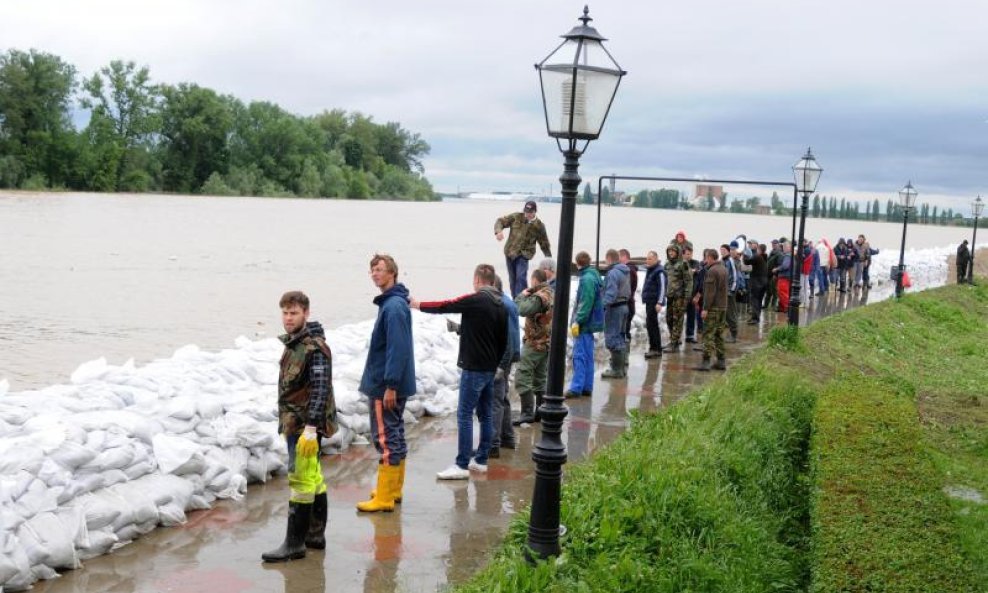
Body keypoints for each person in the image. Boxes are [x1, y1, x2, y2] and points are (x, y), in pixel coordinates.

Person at [411, 264, 508, 480]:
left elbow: (447, 305)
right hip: (489, 369)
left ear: (477, 280)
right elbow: (503, 340)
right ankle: (481, 460)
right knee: (485, 414)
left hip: (473, 368)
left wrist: (418, 305)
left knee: (464, 414)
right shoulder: (500, 304)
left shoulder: (476, 300)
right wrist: (495, 365)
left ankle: (461, 464)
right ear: (492, 281)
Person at [263, 291, 337, 562]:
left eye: (293, 313)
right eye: (284, 312)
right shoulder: (295, 343)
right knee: (313, 477)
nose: (288, 318)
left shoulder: (313, 348)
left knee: (301, 479)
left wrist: (310, 428)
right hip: (296, 422)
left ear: (306, 313)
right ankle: (315, 536)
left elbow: (320, 389)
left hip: (305, 426)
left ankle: (294, 543)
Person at [356, 255, 416, 513]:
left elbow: (397, 348)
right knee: (395, 434)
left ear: (392, 273)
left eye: (379, 270)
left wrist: (390, 384)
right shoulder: (394, 303)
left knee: (385, 438)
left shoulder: (393, 307)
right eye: (372, 270)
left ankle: (384, 498)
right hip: (391, 383)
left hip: (385, 385)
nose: (374, 274)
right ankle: (392, 489)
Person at [512, 268, 553, 425]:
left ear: (535, 280)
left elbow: (521, 309)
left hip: (535, 343)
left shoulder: (539, 296)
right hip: (545, 342)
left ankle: (527, 413)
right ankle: (540, 411)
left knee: (522, 376)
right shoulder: (550, 292)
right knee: (539, 378)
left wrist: (521, 295)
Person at [565, 251, 604, 398]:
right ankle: (587, 386)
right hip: (591, 323)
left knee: (579, 356)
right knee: (588, 355)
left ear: (578, 263)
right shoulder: (593, 275)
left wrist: (577, 320)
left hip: (585, 324)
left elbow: (585, 302)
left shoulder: (587, 279)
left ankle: (576, 388)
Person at [494, 201, 552, 298]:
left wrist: (549, 260)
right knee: (512, 280)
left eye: (530, 212)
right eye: (526, 211)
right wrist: (498, 231)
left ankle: (523, 300)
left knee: (521, 278)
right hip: (510, 253)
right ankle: (515, 300)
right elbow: (500, 221)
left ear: (535, 212)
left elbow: (544, 244)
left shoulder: (539, 226)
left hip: (524, 255)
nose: (527, 214)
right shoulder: (516, 217)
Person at [490, 275, 520, 458]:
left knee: (495, 399)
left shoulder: (503, 305)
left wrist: (501, 366)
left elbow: (507, 337)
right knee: (502, 397)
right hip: (508, 355)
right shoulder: (507, 302)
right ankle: (507, 437)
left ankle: (493, 444)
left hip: (503, 358)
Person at [696, 249, 728, 371]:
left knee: (708, 334)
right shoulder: (724, 269)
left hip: (713, 308)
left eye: (706, 258)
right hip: (723, 307)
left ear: (710, 258)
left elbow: (710, 292)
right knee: (719, 334)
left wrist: (705, 309)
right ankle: (721, 361)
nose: (705, 261)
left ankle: (705, 362)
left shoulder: (712, 271)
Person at [601, 249, 630, 379]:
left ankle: (616, 370)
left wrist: (602, 306)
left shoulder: (612, 273)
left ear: (609, 259)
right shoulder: (624, 271)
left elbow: (611, 294)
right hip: (624, 306)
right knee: (620, 337)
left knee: (613, 337)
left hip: (615, 308)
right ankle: (621, 368)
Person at [663, 244, 692, 351]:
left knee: (677, 319)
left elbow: (688, 281)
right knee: (669, 318)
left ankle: (674, 343)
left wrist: (687, 297)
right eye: (669, 251)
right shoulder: (667, 265)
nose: (671, 253)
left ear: (677, 252)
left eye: (673, 251)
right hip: (670, 296)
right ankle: (674, 339)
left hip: (680, 297)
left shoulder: (683, 264)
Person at [641, 250, 667, 358]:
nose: (648, 261)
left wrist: (659, 302)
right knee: (650, 324)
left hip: (654, 302)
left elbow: (662, 288)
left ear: (656, 259)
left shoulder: (659, 271)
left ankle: (655, 349)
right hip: (649, 301)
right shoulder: (651, 270)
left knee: (652, 325)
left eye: (650, 259)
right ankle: (655, 347)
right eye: (647, 258)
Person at [720, 244, 740, 343]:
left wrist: (731, 291)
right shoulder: (721, 261)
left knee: (731, 314)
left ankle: (734, 336)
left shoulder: (730, 261)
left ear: (728, 251)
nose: (722, 252)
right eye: (721, 250)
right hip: (722, 293)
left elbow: (736, 277)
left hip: (729, 293)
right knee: (723, 314)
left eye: (724, 250)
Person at [745, 243, 768, 324]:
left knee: (754, 299)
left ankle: (755, 318)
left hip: (757, 281)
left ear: (759, 250)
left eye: (757, 249)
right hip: (764, 281)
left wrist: (744, 254)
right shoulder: (765, 257)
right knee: (759, 299)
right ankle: (757, 317)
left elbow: (747, 262)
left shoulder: (758, 256)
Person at [618, 249, 638, 342]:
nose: (618, 260)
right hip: (628, 303)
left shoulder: (628, 270)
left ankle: (623, 355)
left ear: (624, 257)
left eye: (619, 257)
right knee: (625, 329)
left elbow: (627, 288)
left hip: (627, 303)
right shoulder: (629, 269)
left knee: (624, 331)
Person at [682, 246, 700, 343]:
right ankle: (677, 337)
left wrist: (698, 295)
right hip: (682, 295)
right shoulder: (680, 264)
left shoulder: (695, 262)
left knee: (691, 316)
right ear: (683, 254)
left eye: (690, 254)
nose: (689, 256)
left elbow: (697, 270)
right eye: (687, 254)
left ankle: (690, 336)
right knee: (679, 317)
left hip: (692, 294)